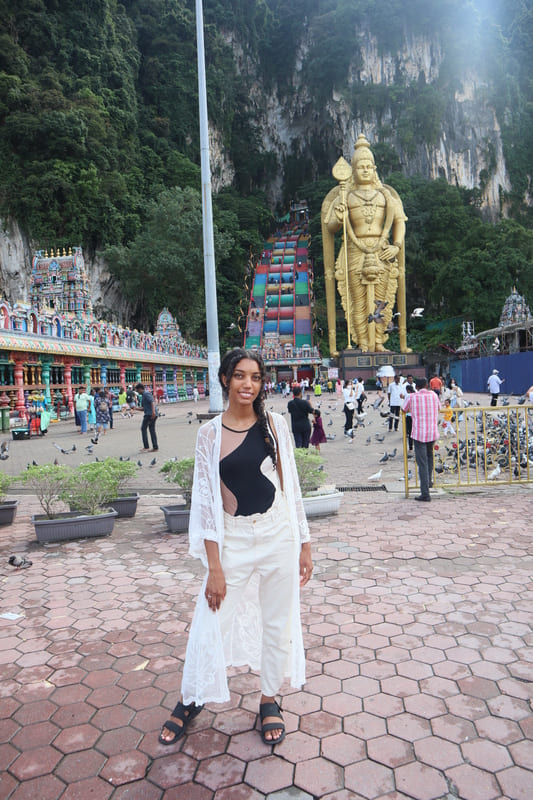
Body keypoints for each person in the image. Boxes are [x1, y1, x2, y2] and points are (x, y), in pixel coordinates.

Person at [158, 348, 312, 747]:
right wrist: (214, 567)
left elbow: (291, 489)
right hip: (235, 540)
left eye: (256, 377)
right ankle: (192, 697)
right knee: (211, 621)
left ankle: (269, 699)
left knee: (278, 623)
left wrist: (305, 544)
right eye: (240, 376)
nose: (248, 384)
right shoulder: (209, 434)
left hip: (279, 535)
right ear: (225, 378)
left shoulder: (275, 425)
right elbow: (207, 503)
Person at [321, 134, 408, 354]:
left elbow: (399, 221)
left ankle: (378, 341)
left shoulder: (386, 195)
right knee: (358, 301)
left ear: (375, 168)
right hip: (354, 251)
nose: (366, 170)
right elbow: (330, 227)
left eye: (369, 166)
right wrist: (339, 218)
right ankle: (362, 342)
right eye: (361, 167)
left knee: (381, 300)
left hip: (382, 251)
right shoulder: (345, 196)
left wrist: (396, 245)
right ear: (353, 170)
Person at [402, 377, 440, 502]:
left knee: (422, 463)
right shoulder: (434, 395)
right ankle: (428, 482)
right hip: (432, 432)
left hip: (419, 434)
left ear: (416, 387)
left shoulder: (412, 396)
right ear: (427, 385)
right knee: (429, 458)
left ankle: (425, 493)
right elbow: (439, 408)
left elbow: (403, 409)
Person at [135, 382, 158, 452]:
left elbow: (152, 402)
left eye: (137, 390)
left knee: (143, 429)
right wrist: (135, 408)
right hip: (150, 413)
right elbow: (143, 409)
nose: (137, 392)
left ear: (140, 389)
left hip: (150, 414)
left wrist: (153, 412)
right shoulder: (143, 396)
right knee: (152, 430)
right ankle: (155, 447)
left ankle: (146, 446)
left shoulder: (146, 394)